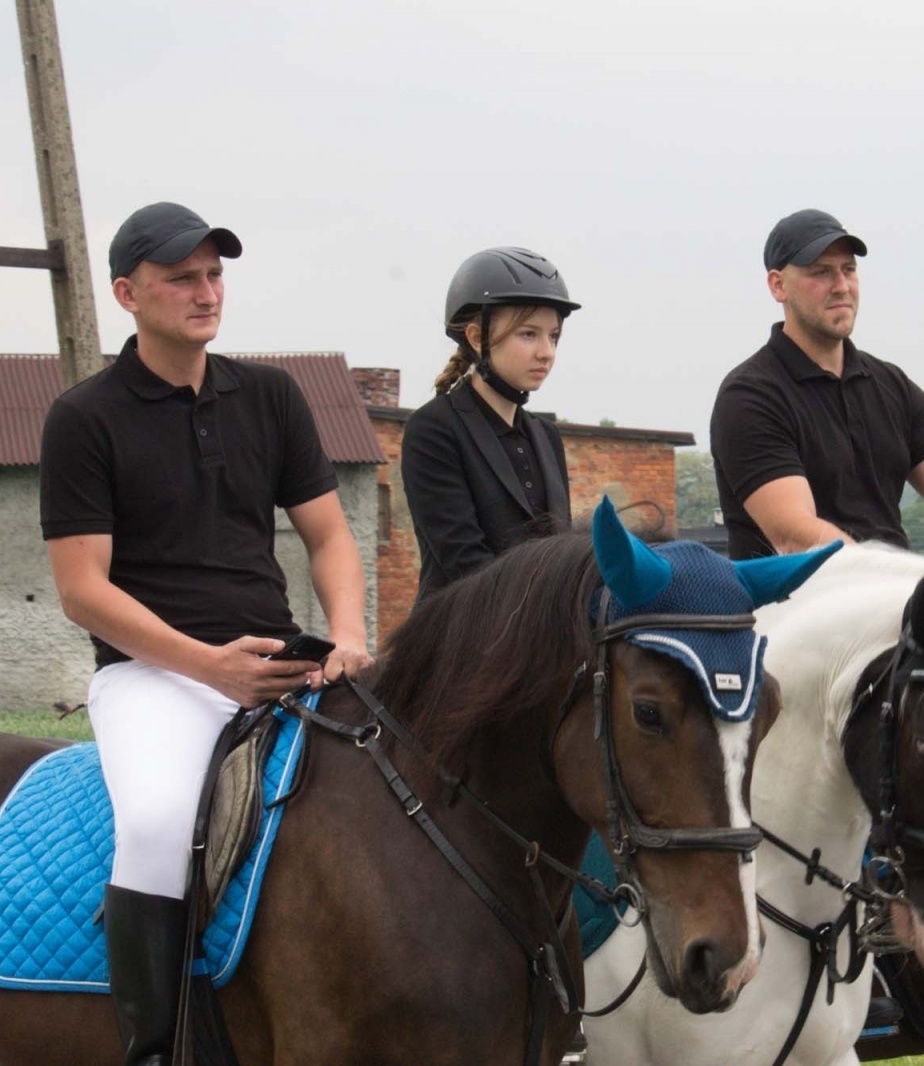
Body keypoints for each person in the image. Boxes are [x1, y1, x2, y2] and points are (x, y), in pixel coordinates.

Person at [39, 202, 372, 1066]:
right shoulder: (84, 418)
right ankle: (160, 1048)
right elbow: (81, 590)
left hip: (276, 657)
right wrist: (204, 668)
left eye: (214, 274)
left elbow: (330, 535)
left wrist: (346, 635)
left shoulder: (269, 394)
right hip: (153, 674)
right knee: (154, 821)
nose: (205, 291)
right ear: (126, 293)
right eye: (180, 277)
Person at [710, 208, 924, 574]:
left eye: (848, 270)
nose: (841, 285)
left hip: (898, 614)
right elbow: (794, 534)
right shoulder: (751, 397)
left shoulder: (892, 387)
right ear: (778, 285)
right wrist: (912, 587)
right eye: (821, 272)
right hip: (791, 616)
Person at [401, 247, 578, 602]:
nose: (546, 351)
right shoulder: (433, 430)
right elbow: (465, 562)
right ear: (476, 337)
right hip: (459, 639)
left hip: (543, 637)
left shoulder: (547, 437)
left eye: (553, 336)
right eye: (528, 334)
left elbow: (561, 555)